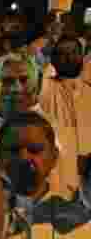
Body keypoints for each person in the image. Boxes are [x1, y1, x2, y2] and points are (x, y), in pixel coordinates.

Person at [38, 34, 91, 197]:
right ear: (54, 60)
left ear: (82, 57)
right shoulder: (46, 87)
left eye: (74, 52)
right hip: (58, 170)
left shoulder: (88, 90)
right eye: (62, 53)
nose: (69, 57)